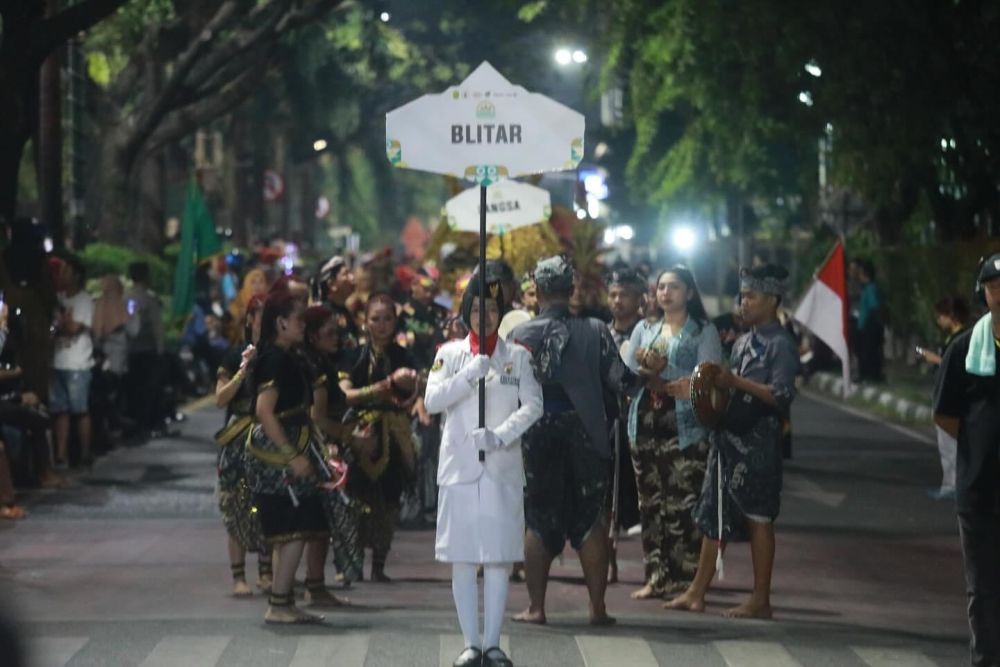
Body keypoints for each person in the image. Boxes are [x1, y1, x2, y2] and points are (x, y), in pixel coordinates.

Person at [665, 264, 799, 619]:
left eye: (752, 296)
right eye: (742, 296)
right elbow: (725, 386)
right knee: (714, 514)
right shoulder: (742, 341)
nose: (744, 303)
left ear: (772, 300)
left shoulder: (781, 344)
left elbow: (782, 396)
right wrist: (700, 391)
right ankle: (697, 591)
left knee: (759, 518)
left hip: (759, 442)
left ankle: (761, 598)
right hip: (728, 439)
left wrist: (735, 383)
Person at [425, 278, 542, 667]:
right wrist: (468, 375)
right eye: (476, 310)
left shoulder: (518, 357)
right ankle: (470, 644)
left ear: (501, 312)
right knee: (462, 556)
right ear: (465, 313)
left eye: (491, 310)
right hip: (459, 467)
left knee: (497, 558)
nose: (484, 316)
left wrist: (500, 435)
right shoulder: (449, 354)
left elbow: (533, 405)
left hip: (501, 465)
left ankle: (493, 644)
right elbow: (432, 399)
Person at [509, 255, 626, 626]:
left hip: (536, 431)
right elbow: (620, 380)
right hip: (586, 429)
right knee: (592, 517)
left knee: (539, 518)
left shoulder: (520, 335)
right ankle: (597, 608)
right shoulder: (596, 330)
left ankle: (537, 608)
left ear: (538, 291)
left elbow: (507, 392)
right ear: (570, 289)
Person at [624, 267, 722, 599]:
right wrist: (642, 368)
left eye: (674, 287)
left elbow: (708, 379)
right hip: (646, 427)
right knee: (650, 505)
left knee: (684, 505)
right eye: (661, 287)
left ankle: (686, 581)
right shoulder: (645, 328)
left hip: (686, 431)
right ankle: (655, 576)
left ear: (689, 293)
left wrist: (667, 370)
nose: (665, 293)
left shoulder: (702, 332)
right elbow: (625, 375)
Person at [244, 291, 333, 624]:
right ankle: (279, 604)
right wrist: (292, 455)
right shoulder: (275, 360)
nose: (303, 326)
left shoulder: (286, 356)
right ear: (281, 323)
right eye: (299, 319)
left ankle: (282, 600)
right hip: (278, 455)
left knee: (293, 527)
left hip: (292, 446)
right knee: (297, 525)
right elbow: (264, 411)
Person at [933, 253, 1000, 667]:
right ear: (984, 293)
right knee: (984, 587)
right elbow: (946, 415)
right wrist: (981, 450)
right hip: (978, 492)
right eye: (994, 287)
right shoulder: (964, 350)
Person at [338, 293, 421, 581]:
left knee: (389, 500)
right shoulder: (353, 355)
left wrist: (411, 385)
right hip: (359, 435)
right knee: (355, 498)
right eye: (376, 319)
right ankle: (353, 560)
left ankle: (379, 565)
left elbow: (416, 390)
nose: (382, 325)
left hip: (395, 435)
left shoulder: (404, 355)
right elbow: (346, 396)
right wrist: (385, 385)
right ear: (365, 322)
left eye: (387, 319)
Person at [214, 296, 271, 597]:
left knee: (266, 504)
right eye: (260, 316)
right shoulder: (233, 353)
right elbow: (221, 398)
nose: (265, 322)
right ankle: (238, 576)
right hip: (238, 437)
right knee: (235, 506)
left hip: (267, 436)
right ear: (249, 320)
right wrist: (243, 370)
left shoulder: (277, 356)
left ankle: (266, 571)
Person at [604, 268, 645, 584]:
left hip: (641, 425)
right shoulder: (601, 334)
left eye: (625, 295)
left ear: (639, 299)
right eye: (614, 294)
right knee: (607, 497)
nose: (618, 301)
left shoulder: (648, 335)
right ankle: (608, 559)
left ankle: (657, 566)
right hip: (607, 422)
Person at [919, 295, 971, 500]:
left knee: (950, 446)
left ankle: (953, 487)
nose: (939, 321)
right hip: (951, 396)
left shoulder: (963, 339)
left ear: (951, 316)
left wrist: (934, 359)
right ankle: (954, 485)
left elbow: (957, 366)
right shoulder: (956, 337)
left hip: (953, 400)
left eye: (941, 316)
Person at [50, 255, 94, 468]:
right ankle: (60, 455)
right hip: (57, 361)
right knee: (60, 411)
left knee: (80, 410)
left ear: (76, 275)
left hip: (78, 363)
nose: (61, 275)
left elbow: (73, 328)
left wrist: (61, 325)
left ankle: (85, 452)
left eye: (66, 271)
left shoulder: (84, 300)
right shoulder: (55, 298)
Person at [125, 262, 166, 437]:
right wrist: (161, 349)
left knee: (134, 389)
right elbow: (157, 326)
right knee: (150, 389)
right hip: (148, 350)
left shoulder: (127, 298)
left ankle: (136, 424)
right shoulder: (149, 298)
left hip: (131, 350)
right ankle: (150, 424)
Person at [851, 259, 885, 383]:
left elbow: (875, 307)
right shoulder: (865, 289)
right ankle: (864, 374)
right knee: (863, 352)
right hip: (863, 326)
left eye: (860, 272)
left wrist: (874, 324)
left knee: (869, 352)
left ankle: (871, 375)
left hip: (869, 326)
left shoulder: (871, 289)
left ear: (864, 273)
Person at [316, 255, 359, 350]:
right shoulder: (324, 314)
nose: (352, 278)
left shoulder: (344, 310)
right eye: (346, 274)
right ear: (332, 284)